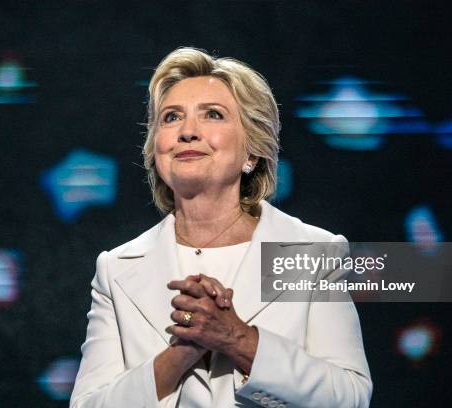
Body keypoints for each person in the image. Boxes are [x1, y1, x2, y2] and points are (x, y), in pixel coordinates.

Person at [70, 47, 372, 408]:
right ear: (156, 150)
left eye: (212, 115)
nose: (187, 132)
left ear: (252, 153)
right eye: (171, 118)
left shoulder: (314, 253)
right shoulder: (116, 267)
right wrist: (180, 354)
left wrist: (237, 339)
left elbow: (350, 398)